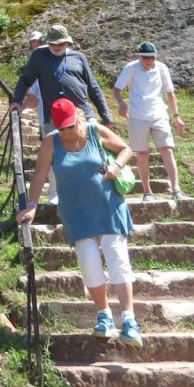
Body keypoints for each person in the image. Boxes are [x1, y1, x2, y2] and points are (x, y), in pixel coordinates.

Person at [16, 97, 142, 347]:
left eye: (70, 126)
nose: (67, 132)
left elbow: (126, 149)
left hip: (107, 207)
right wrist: (31, 206)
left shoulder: (95, 131)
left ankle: (129, 320)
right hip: (75, 213)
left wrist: (116, 166)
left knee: (117, 258)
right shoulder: (51, 142)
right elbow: (40, 174)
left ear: (78, 119)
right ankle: (104, 316)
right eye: (62, 128)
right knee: (89, 263)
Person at [113, 41, 187, 202]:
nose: (148, 61)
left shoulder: (161, 68)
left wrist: (176, 116)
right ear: (139, 57)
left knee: (167, 150)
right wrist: (121, 104)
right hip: (137, 116)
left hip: (159, 114)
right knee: (142, 153)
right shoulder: (131, 68)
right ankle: (147, 191)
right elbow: (117, 88)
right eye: (145, 57)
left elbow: (170, 93)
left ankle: (176, 189)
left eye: (151, 57)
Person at [9, 23, 114, 129]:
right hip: (54, 118)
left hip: (83, 116)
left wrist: (106, 117)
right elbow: (25, 80)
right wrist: (17, 101)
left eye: (61, 43)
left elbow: (93, 87)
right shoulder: (39, 55)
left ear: (67, 42)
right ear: (48, 42)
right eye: (52, 43)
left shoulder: (79, 57)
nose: (56, 46)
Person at [21, 30, 58, 205]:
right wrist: (21, 107)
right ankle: (54, 192)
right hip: (47, 119)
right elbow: (33, 96)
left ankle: (61, 192)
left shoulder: (65, 64)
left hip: (69, 119)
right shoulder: (39, 69)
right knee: (51, 156)